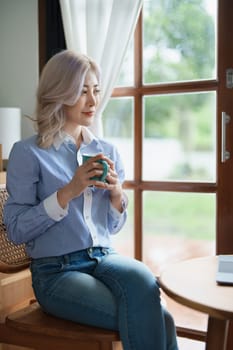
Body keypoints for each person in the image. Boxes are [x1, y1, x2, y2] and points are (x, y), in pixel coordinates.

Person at [4, 50, 178, 350]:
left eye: (95, 90)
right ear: (59, 92)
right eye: (82, 91)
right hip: (56, 272)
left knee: (144, 280)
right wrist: (68, 191)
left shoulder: (106, 150)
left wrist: (115, 196)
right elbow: (17, 229)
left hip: (104, 257)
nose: (93, 100)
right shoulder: (28, 152)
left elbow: (111, 226)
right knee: (159, 318)